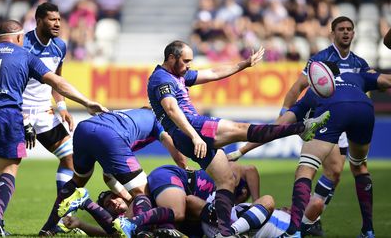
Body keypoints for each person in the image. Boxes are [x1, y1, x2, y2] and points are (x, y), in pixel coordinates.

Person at [145, 40, 330, 238]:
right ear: (171, 58)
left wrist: (244, 64)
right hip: (191, 128)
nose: (189, 65)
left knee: (226, 181)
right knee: (242, 128)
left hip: (188, 135)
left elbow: (214, 73)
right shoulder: (161, 79)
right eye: (186, 61)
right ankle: (301, 128)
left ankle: (225, 233)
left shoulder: (177, 74)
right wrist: (194, 136)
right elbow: (172, 109)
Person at [0, 19, 106, 236]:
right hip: (8, 114)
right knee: (9, 170)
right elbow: (57, 82)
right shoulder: (25, 55)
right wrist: (86, 102)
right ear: (19, 38)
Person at [277, 16, 371, 237]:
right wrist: (285, 112)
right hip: (323, 119)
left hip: (348, 122)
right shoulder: (321, 59)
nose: (346, 32)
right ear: (333, 33)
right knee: (334, 169)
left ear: (354, 33)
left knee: (335, 175)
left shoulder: (360, 64)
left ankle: (312, 217)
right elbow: (297, 87)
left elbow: (364, 93)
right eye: (341, 29)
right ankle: (304, 220)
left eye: (349, 29)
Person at [273, 61, 386, 237]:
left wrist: (244, 148)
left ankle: (294, 232)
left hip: (334, 111)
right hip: (365, 109)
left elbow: (280, 125)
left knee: (306, 168)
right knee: (358, 166)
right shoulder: (355, 76)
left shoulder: (315, 91)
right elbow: (386, 81)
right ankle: (368, 230)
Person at [38, 108, 187, 236]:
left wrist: (126, 197)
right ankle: (143, 232)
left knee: (77, 181)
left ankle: (49, 227)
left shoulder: (129, 117)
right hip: (110, 135)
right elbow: (172, 145)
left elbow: (108, 175)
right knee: (142, 193)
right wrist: (183, 168)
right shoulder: (157, 120)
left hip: (84, 128)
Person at [59, 162, 262, 238]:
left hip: (181, 199)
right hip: (174, 180)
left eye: (112, 199)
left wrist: (255, 200)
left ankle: (86, 202)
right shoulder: (228, 180)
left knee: (130, 230)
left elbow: (252, 170)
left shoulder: (233, 189)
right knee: (179, 212)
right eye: (109, 206)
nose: (113, 204)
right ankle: (86, 202)